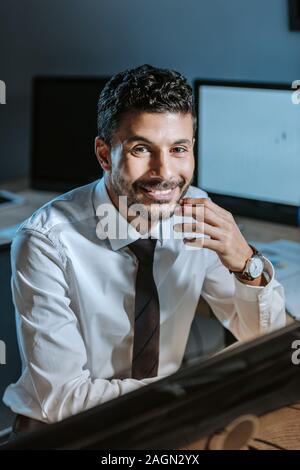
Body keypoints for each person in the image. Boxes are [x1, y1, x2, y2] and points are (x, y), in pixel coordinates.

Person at [3, 64, 285, 433]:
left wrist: (246, 264)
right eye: (141, 149)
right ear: (104, 155)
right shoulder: (45, 242)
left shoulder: (197, 211)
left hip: (163, 419)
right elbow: (62, 397)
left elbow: (265, 340)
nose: (164, 172)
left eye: (179, 149)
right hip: (65, 431)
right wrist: (191, 394)